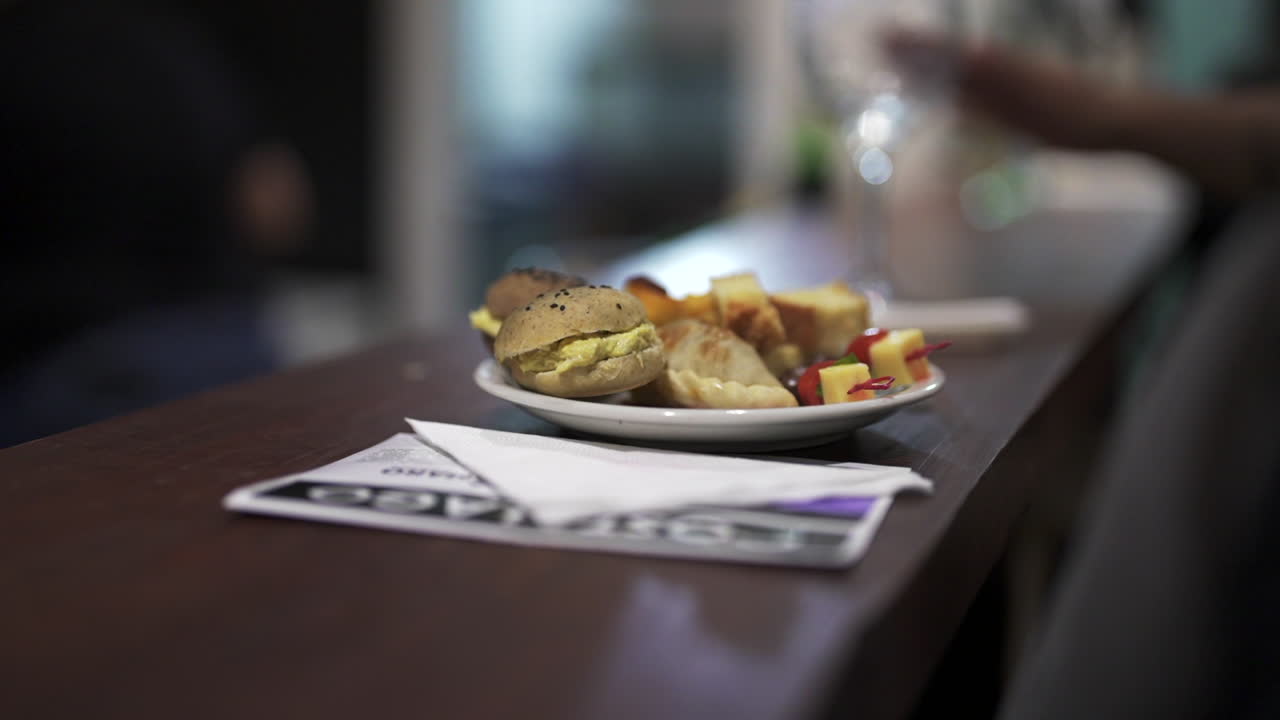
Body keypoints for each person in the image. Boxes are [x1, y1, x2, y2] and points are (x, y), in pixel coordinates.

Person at [0, 0, 311, 447]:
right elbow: (275, 205)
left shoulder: (19, 55)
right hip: (237, 348)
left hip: (76, 376)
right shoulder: (170, 43)